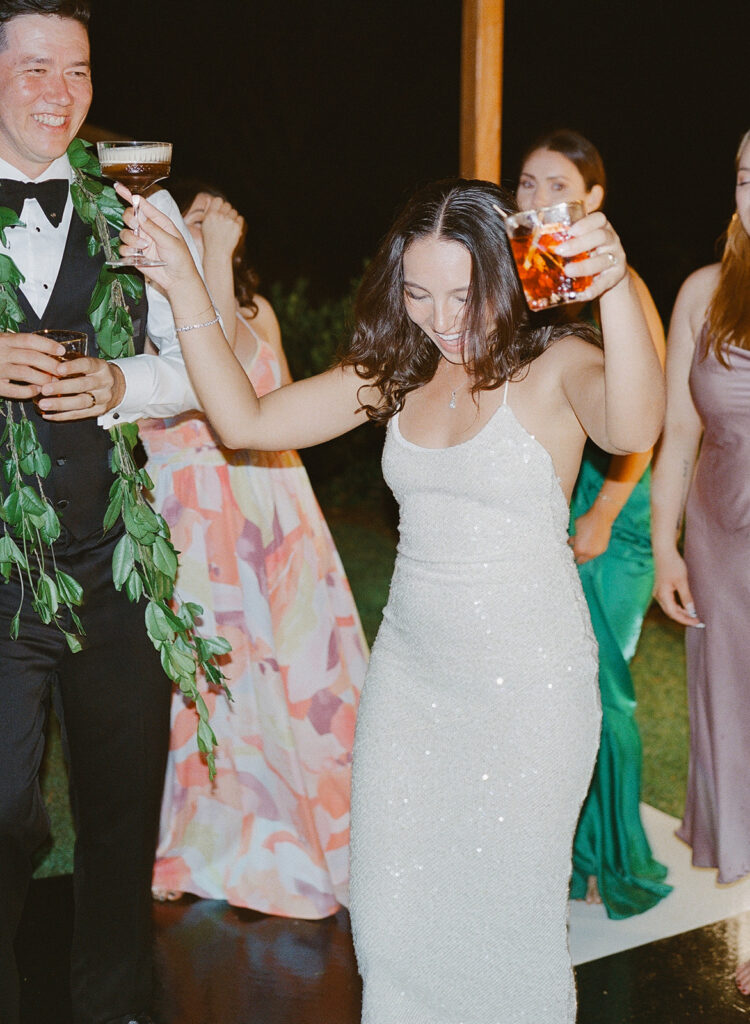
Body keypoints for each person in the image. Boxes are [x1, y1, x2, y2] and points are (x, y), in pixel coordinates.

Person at [116, 175, 664, 1022]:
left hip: (528, 696)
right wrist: (188, 280)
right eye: (419, 293)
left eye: (465, 294)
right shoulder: (398, 373)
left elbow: (631, 428)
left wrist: (617, 284)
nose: (443, 319)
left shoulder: (559, 366)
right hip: (411, 687)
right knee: (392, 926)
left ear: (512, 276)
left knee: (507, 934)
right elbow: (248, 423)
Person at [0, 3, 203, 1022]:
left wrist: (123, 384)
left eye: (75, 70)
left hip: (115, 558)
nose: (59, 92)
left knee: (124, 809)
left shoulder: (135, 205)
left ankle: (110, 1004)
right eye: (35, 67)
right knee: (4, 811)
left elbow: (193, 364)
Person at [142, 184, 368, 915]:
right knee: (207, 694)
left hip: (270, 522)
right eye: (188, 226)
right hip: (193, 531)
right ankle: (204, 849)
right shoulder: (145, 323)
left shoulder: (252, 313)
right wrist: (205, 253)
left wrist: (214, 256)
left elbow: (241, 381)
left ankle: (296, 837)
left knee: (290, 688)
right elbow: (185, 373)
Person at [517, 128, 671, 918]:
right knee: (557, 687)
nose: (539, 199)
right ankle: (569, 849)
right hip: (557, 505)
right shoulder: (531, 279)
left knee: (603, 690)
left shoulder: (624, 286)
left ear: (595, 201)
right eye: (528, 183)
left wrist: (607, 513)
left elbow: (648, 419)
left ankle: (616, 857)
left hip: (618, 511)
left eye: (558, 186)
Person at [650, 129, 750, 994]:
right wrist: (661, 546)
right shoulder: (702, 294)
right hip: (722, 544)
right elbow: (679, 432)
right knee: (737, 727)